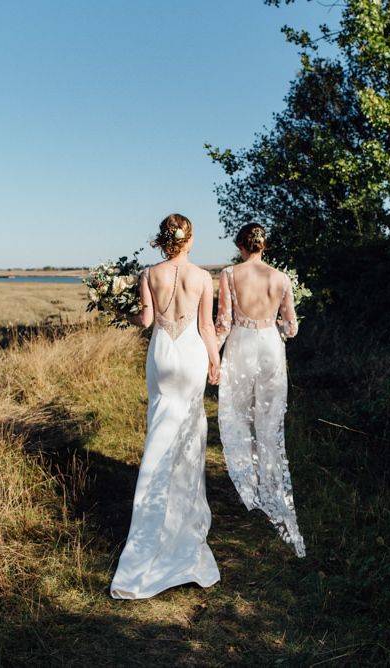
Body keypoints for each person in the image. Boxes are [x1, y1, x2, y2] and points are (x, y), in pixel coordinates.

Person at [110, 213, 221, 599]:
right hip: (189, 354)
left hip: (161, 354)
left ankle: (147, 540)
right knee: (189, 440)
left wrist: (115, 309)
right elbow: (207, 327)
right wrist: (214, 360)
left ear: (165, 240)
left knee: (159, 433)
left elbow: (144, 320)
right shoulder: (204, 278)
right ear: (189, 240)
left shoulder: (148, 274)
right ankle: (183, 541)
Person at [215, 223, 306, 557]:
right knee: (269, 419)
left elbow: (223, 323)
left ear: (241, 245)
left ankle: (247, 484)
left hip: (240, 345)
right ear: (263, 246)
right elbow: (292, 327)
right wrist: (277, 326)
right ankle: (270, 483)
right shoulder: (281, 278)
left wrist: (211, 355)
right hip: (269, 347)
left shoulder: (228, 274)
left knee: (237, 414)